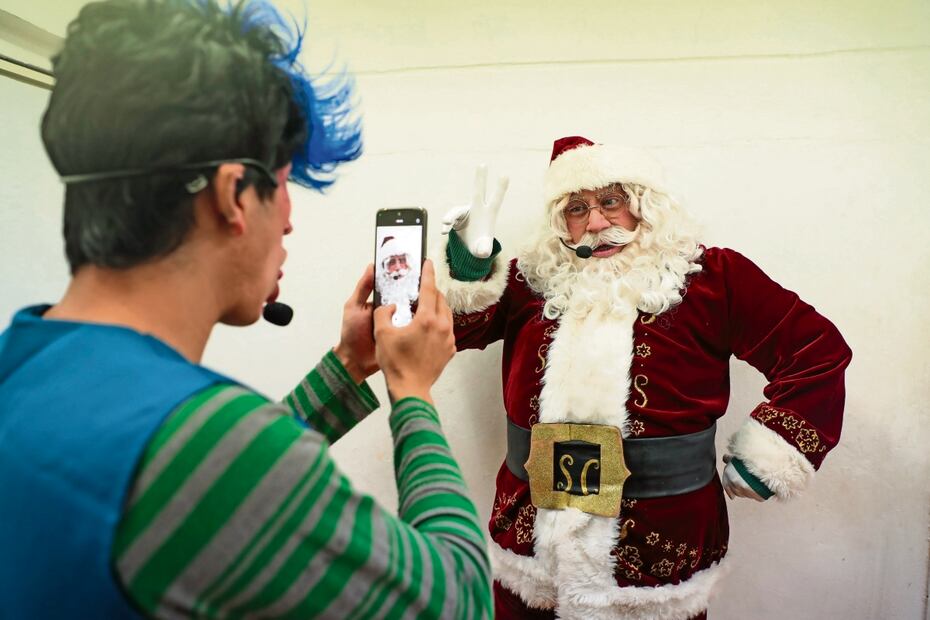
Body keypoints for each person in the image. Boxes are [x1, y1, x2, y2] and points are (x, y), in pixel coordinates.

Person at [0, 1, 490, 618]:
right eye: (283, 184)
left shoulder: (21, 359)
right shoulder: (212, 449)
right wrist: (411, 389)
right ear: (235, 194)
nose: (288, 219)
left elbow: (196, 494)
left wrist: (345, 366)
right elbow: (462, 600)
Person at [435, 137, 852, 619]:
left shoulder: (713, 277)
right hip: (532, 540)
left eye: (611, 201)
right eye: (576, 208)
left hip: (660, 549)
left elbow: (815, 351)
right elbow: (449, 333)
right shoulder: (531, 280)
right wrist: (470, 266)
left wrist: (770, 455)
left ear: (644, 204)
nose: (595, 222)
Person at [377, 235, 421, 327]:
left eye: (402, 260)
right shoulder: (376, 298)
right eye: (392, 262)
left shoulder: (419, 293)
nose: (398, 267)